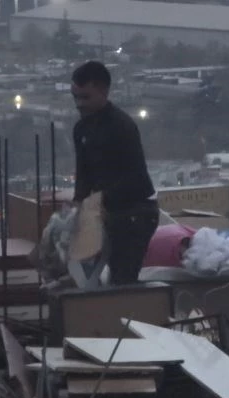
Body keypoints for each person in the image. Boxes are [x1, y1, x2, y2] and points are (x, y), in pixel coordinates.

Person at [71, 61, 159, 285]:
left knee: (122, 280)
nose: (79, 104)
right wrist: (77, 206)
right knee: (83, 276)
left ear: (104, 92)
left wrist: (99, 200)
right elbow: (84, 174)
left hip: (134, 213)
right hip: (105, 210)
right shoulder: (81, 129)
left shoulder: (121, 127)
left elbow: (136, 179)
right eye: (76, 97)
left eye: (86, 97)